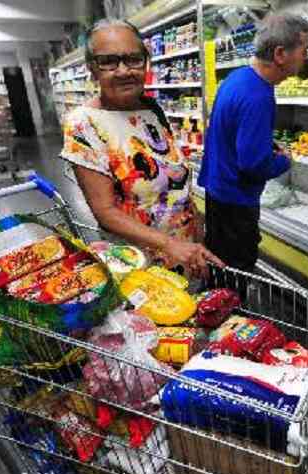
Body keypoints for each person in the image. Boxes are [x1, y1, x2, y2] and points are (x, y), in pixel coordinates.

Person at [60, 19, 222, 279]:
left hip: (187, 254)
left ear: (146, 62)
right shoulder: (83, 124)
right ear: (92, 69)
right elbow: (105, 212)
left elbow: (173, 185)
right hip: (139, 266)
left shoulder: (151, 108)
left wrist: (198, 232)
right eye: (109, 61)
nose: (124, 71)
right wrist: (169, 244)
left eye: (133, 59)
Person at [198, 13, 308, 272]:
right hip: (236, 203)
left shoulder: (239, 78)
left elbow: (233, 134)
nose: (307, 57)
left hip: (218, 193)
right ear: (281, 54)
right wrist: (284, 160)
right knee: (236, 271)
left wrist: (263, 144)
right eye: (304, 50)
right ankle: (233, 312)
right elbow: (252, 164)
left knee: (219, 264)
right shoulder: (258, 95)